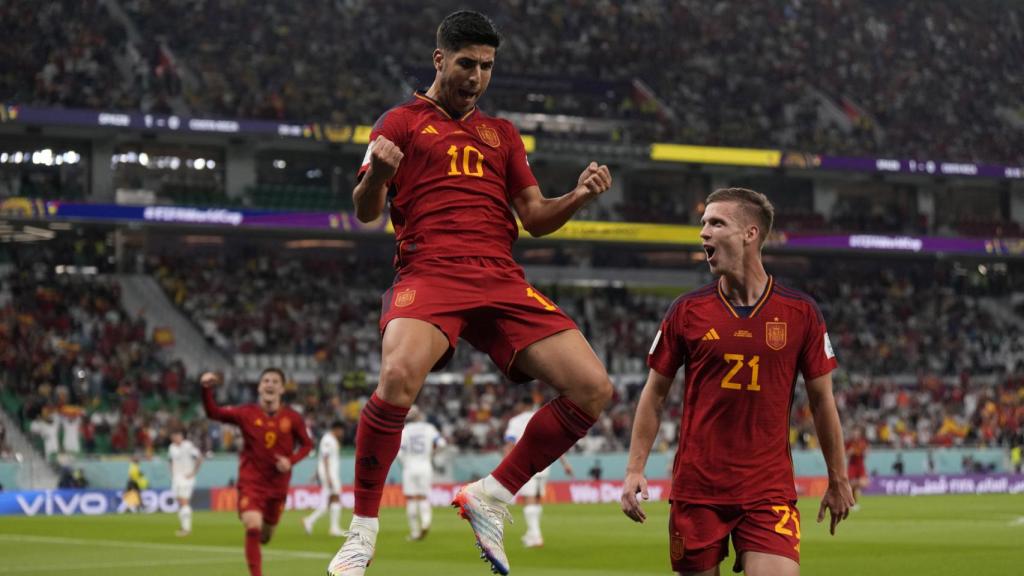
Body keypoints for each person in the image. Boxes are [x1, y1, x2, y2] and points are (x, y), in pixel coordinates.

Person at [327, 10, 613, 576]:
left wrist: (579, 195)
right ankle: (361, 534)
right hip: (431, 271)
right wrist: (377, 175)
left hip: (500, 276)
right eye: (466, 64)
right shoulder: (400, 122)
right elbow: (364, 212)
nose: (477, 76)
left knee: (593, 388)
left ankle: (491, 496)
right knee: (397, 377)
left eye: (486, 66)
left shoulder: (501, 134)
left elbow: (535, 217)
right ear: (439, 59)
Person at [620, 188, 855, 576]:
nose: (704, 232)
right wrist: (634, 469)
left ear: (750, 233)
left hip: (767, 490)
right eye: (703, 224)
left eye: (716, 223)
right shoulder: (686, 311)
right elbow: (654, 394)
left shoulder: (801, 313)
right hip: (698, 490)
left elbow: (822, 402)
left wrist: (838, 478)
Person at [201, 369, 313, 576]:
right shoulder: (246, 413)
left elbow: (307, 445)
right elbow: (213, 413)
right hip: (251, 483)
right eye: (266, 381)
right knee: (253, 525)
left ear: (282, 389)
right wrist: (206, 390)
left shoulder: (293, 418)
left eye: (275, 381)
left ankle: (263, 529)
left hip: (277, 486)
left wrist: (291, 461)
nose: (270, 384)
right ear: (260, 387)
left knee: (265, 535)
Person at [504, 395, 574, 548]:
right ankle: (531, 533)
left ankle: (536, 536)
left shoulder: (515, 421)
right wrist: (565, 464)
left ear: (521, 405)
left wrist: (505, 465)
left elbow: (510, 443)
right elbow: (555, 444)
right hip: (544, 465)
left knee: (528, 499)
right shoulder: (544, 418)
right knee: (536, 499)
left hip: (525, 464)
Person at [397, 405, 446, 541]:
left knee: (411, 498)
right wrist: (432, 454)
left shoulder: (405, 431)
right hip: (425, 465)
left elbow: (399, 452)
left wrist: (405, 463)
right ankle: (425, 522)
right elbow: (442, 444)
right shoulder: (429, 428)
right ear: (419, 415)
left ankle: (414, 532)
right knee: (423, 497)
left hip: (409, 467)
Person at [304, 420, 345, 537]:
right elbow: (325, 458)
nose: (342, 433)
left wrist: (316, 473)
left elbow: (321, 458)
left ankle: (310, 520)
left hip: (329, 473)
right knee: (335, 497)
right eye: (341, 431)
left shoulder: (331, 439)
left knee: (329, 502)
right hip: (330, 474)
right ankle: (334, 528)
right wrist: (328, 476)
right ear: (337, 429)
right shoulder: (328, 440)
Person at [168, 428, 203, 536]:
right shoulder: (171, 447)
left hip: (186, 478)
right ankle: (183, 526)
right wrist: (172, 474)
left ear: (181, 436)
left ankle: (187, 529)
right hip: (176, 478)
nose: (176, 438)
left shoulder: (188, 445)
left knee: (184, 501)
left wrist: (193, 472)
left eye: (178, 435)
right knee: (180, 502)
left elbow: (199, 458)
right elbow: (170, 461)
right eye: (174, 436)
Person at [845, 427, 869, 510]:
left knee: (863, 483)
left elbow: (866, 452)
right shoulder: (849, 443)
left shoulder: (862, 442)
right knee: (852, 485)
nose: (855, 435)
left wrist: (865, 452)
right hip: (852, 465)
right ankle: (852, 503)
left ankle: (852, 501)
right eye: (854, 433)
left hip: (860, 465)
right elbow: (846, 455)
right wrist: (850, 452)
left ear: (859, 434)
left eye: (857, 433)